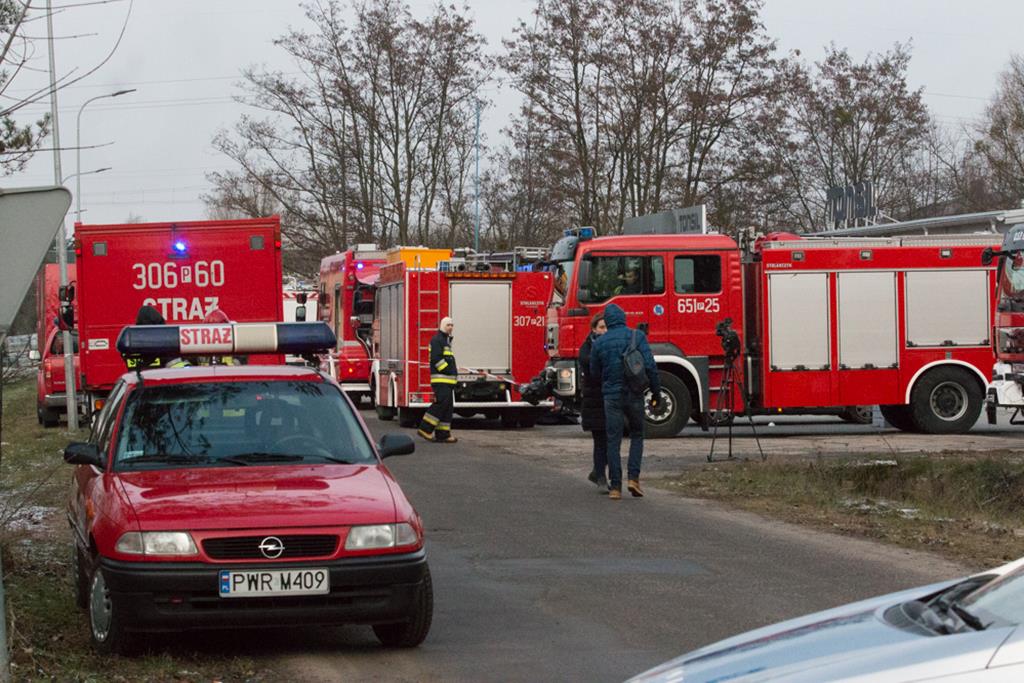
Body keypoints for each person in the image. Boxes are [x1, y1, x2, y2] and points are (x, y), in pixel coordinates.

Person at [591, 303, 660, 500]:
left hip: (611, 396)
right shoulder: (637, 336)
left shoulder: (600, 343)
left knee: (613, 439)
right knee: (637, 434)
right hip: (635, 393)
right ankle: (634, 479)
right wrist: (656, 393)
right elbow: (650, 366)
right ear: (623, 318)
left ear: (608, 321)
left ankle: (615, 487)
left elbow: (595, 373)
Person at [578, 313, 608, 491]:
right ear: (594, 329)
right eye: (601, 327)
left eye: (607, 327)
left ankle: (598, 473)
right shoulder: (587, 348)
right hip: (594, 401)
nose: (605, 331)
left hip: (608, 400)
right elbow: (590, 368)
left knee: (610, 441)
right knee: (600, 440)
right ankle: (601, 478)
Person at [417, 317, 458, 443]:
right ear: (442, 326)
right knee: (440, 405)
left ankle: (443, 434)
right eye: (448, 325)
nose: (450, 327)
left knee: (447, 407)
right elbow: (436, 359)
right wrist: (448, 370)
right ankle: (425, 428)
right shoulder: (437, 340)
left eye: (452, 325)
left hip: (448, 381)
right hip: (441, 380)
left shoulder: (445, 341)